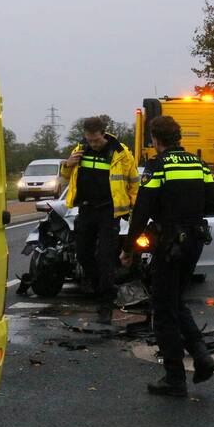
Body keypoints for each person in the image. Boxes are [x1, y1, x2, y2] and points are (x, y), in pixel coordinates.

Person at [120, 115, 214, 397]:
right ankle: (202, 357)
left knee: (162, 310)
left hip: (169, 244)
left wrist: (128, 248)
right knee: (175, 300)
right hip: (195, 242)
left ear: (155, 140)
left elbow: (141, 211)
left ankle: (175, 378)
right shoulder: (200, 164)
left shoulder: (158, 167)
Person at [61, 116, 139, 324]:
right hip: (86, 209)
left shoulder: (120, 153)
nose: (92, 144)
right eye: (89, 139)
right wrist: (68, 164)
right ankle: (101, 287)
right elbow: (67, 175)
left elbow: (133, 182)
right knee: (83, 254)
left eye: (95, 140)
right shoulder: (80, 149)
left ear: (103, 134)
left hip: (108, 211)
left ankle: (106, 302)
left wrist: (132, 204)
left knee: (105, 257)